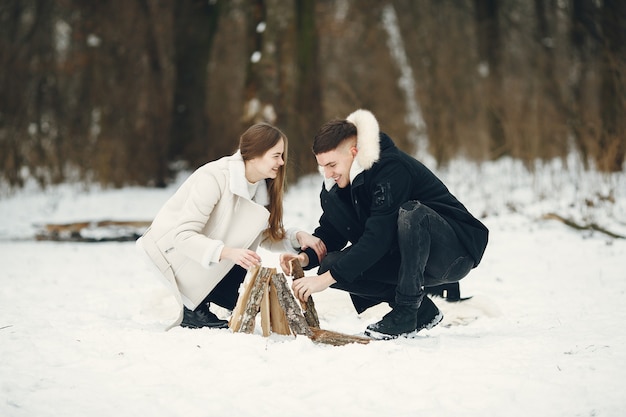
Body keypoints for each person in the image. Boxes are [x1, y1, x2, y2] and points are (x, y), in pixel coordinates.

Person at [280, 109, 488, 340]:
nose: (328, 174)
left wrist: (324, 281)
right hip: (408, 261)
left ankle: (407, 311)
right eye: (323, 167)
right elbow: (332, 231)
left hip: (451, 254)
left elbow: (377, 238)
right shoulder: (338, 187)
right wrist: (305, 258)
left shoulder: (391, 168)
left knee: (412, 214)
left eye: (332, 165)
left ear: (354, 152)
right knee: (332, 264)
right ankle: (421, 311)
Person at [137, 123, 325, 330]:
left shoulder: (261, 188)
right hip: (171, 254)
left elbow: (263, 236)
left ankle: (212, 293)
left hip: (215, 256)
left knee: (261, 299)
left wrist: (297, 236)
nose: (281, 162)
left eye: (282, 156)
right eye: (276, 155)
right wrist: (228, 252)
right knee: (246, 283)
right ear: (254, 154)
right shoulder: (214, 177)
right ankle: (193, 306)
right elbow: (182, 236)